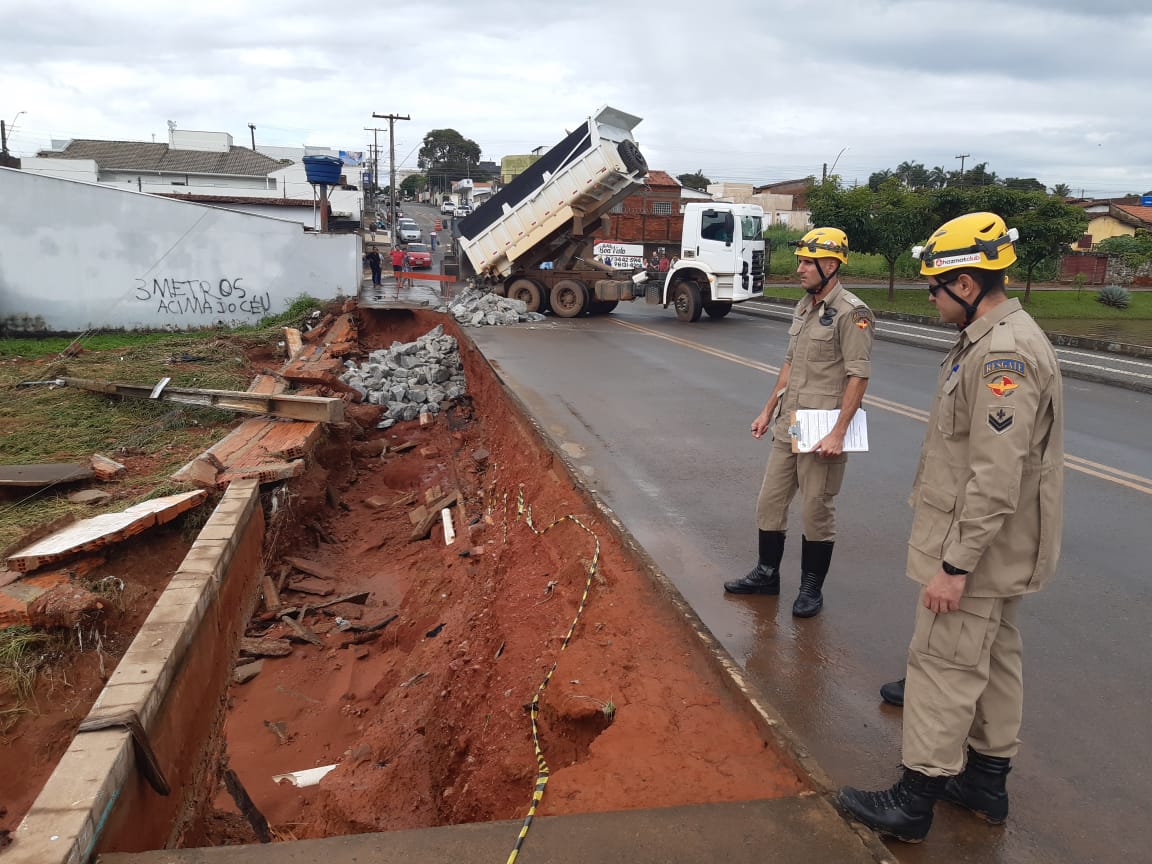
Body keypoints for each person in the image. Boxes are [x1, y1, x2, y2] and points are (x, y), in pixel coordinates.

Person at [839, 213, 1064, 843]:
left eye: (936, 288)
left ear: (966, 285)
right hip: (1000, 546)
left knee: (942, 663)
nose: (930, 298)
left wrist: (955, 565)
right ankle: (985, 782)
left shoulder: (1003, 354)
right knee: (994, 660)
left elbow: (996, 476)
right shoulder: (996, 337)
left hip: (980, 549)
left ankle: (915, 799)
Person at [724, 227, 873, 617]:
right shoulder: (805, 306)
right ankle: (766, 574)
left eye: (807, 262)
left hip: (822, 429)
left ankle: (811, 589)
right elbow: (790, 364)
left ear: (830, 264)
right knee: (770, 502)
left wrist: (839, 432)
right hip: (789, 423)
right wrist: (767, 409)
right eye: (800, 261)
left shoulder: (853, 314)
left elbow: (858, 376)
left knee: (816, 510)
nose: (800, 269)